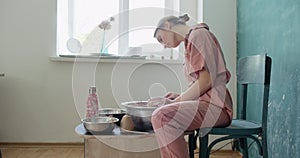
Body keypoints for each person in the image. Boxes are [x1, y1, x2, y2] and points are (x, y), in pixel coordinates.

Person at [149, 14, 233, 158]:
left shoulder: (198, 35)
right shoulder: (191, 41)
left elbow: (206, 81)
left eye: (161, 39)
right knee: (163, 114)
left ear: (167, 25)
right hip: (208, 104)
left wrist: (177, 102)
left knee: (162, 116)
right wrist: (180, 97)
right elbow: (202, 83)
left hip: (216, 107)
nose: (163, 45)